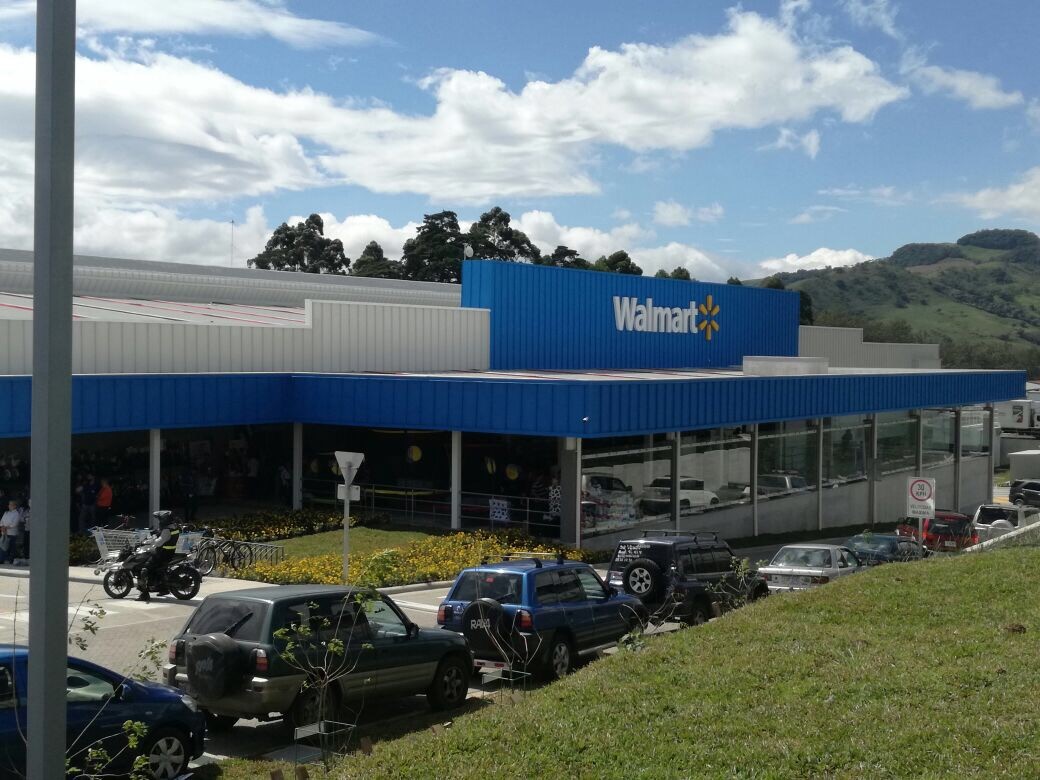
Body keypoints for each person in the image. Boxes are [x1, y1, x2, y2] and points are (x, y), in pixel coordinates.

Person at [136, 512, 181, 602]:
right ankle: (163, 588)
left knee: (144, 568)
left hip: (162, 554)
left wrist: (148, 542)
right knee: (158, 570)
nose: (159, 521)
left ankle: (144, 594)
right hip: (169, 553)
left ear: (165, 520)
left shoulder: (167, 530)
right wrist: (155, 533)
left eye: (160, 519)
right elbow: (161, 533)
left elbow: (159, 542)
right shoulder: (174, 527)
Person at [0, 500, 22, 564]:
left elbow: (14, 524)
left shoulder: (16, 514)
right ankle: (2, 559)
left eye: (11, 505)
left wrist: (5, 527)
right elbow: (1, 521)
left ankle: (10, 560)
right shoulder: (6, 513)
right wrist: (2, 527)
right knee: (3, 546)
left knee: (11, 547)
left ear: (14, 506)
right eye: (9, 504)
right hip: (4, 533)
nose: (9, 506)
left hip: (12, 533)